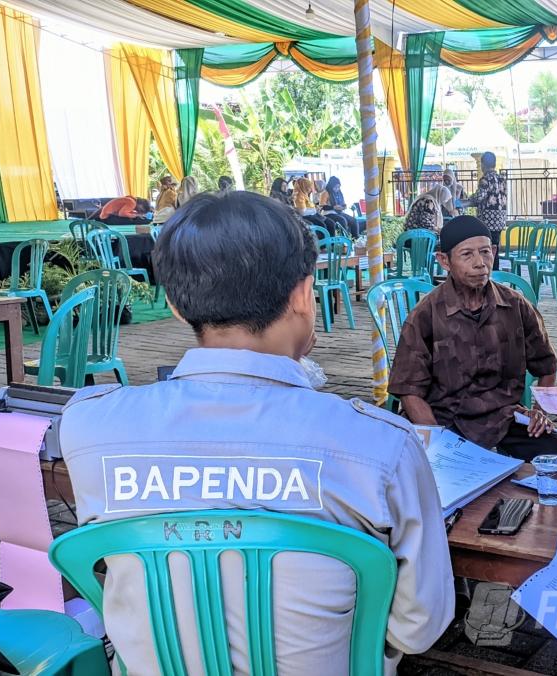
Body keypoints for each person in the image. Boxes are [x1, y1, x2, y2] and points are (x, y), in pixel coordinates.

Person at [60, 191, 454, 675]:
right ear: (304, 295)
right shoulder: (382, 446)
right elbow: (419, 626)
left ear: (177, 307)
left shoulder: (89, 427)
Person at [388, 215, 557, 459]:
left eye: (485, 252)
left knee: (556, 457)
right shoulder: (425, 315)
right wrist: (437, 442)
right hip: (445, 420)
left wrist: (540, 411)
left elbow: (547, 365)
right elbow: (409, 391)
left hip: (504, 417)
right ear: (444, 260)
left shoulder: (515, 305)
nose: (480, 263)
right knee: (440, 471)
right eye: (467, 255)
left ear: (494, 252)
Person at [465, 151, 507, 270]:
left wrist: (466, 201)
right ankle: (496, 272)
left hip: (487, 220)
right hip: (500, 219)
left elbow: (478, 197)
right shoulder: (502, 179)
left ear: (483, 164)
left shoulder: (485, 179)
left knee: (487, 249)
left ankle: (489, 273)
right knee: (495, 248)